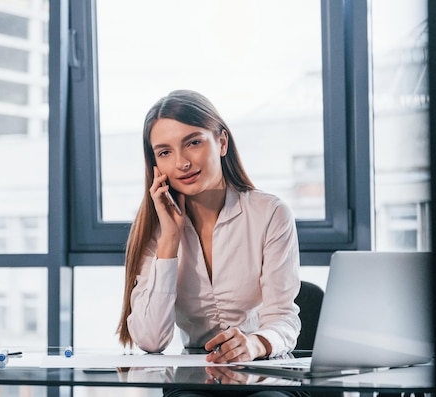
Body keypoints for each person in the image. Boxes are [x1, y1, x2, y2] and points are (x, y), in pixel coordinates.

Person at [116, 90, 304, 397]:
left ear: (221, 142)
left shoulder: (270, 213)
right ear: (155, 166)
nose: (182, 163)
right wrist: (170, 241)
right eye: (164, 152)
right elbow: (151, 341)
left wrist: (254, 343)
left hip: (264, 372)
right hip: (194, 379)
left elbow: (282, 318)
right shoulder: (157, 230)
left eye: (193, 142)